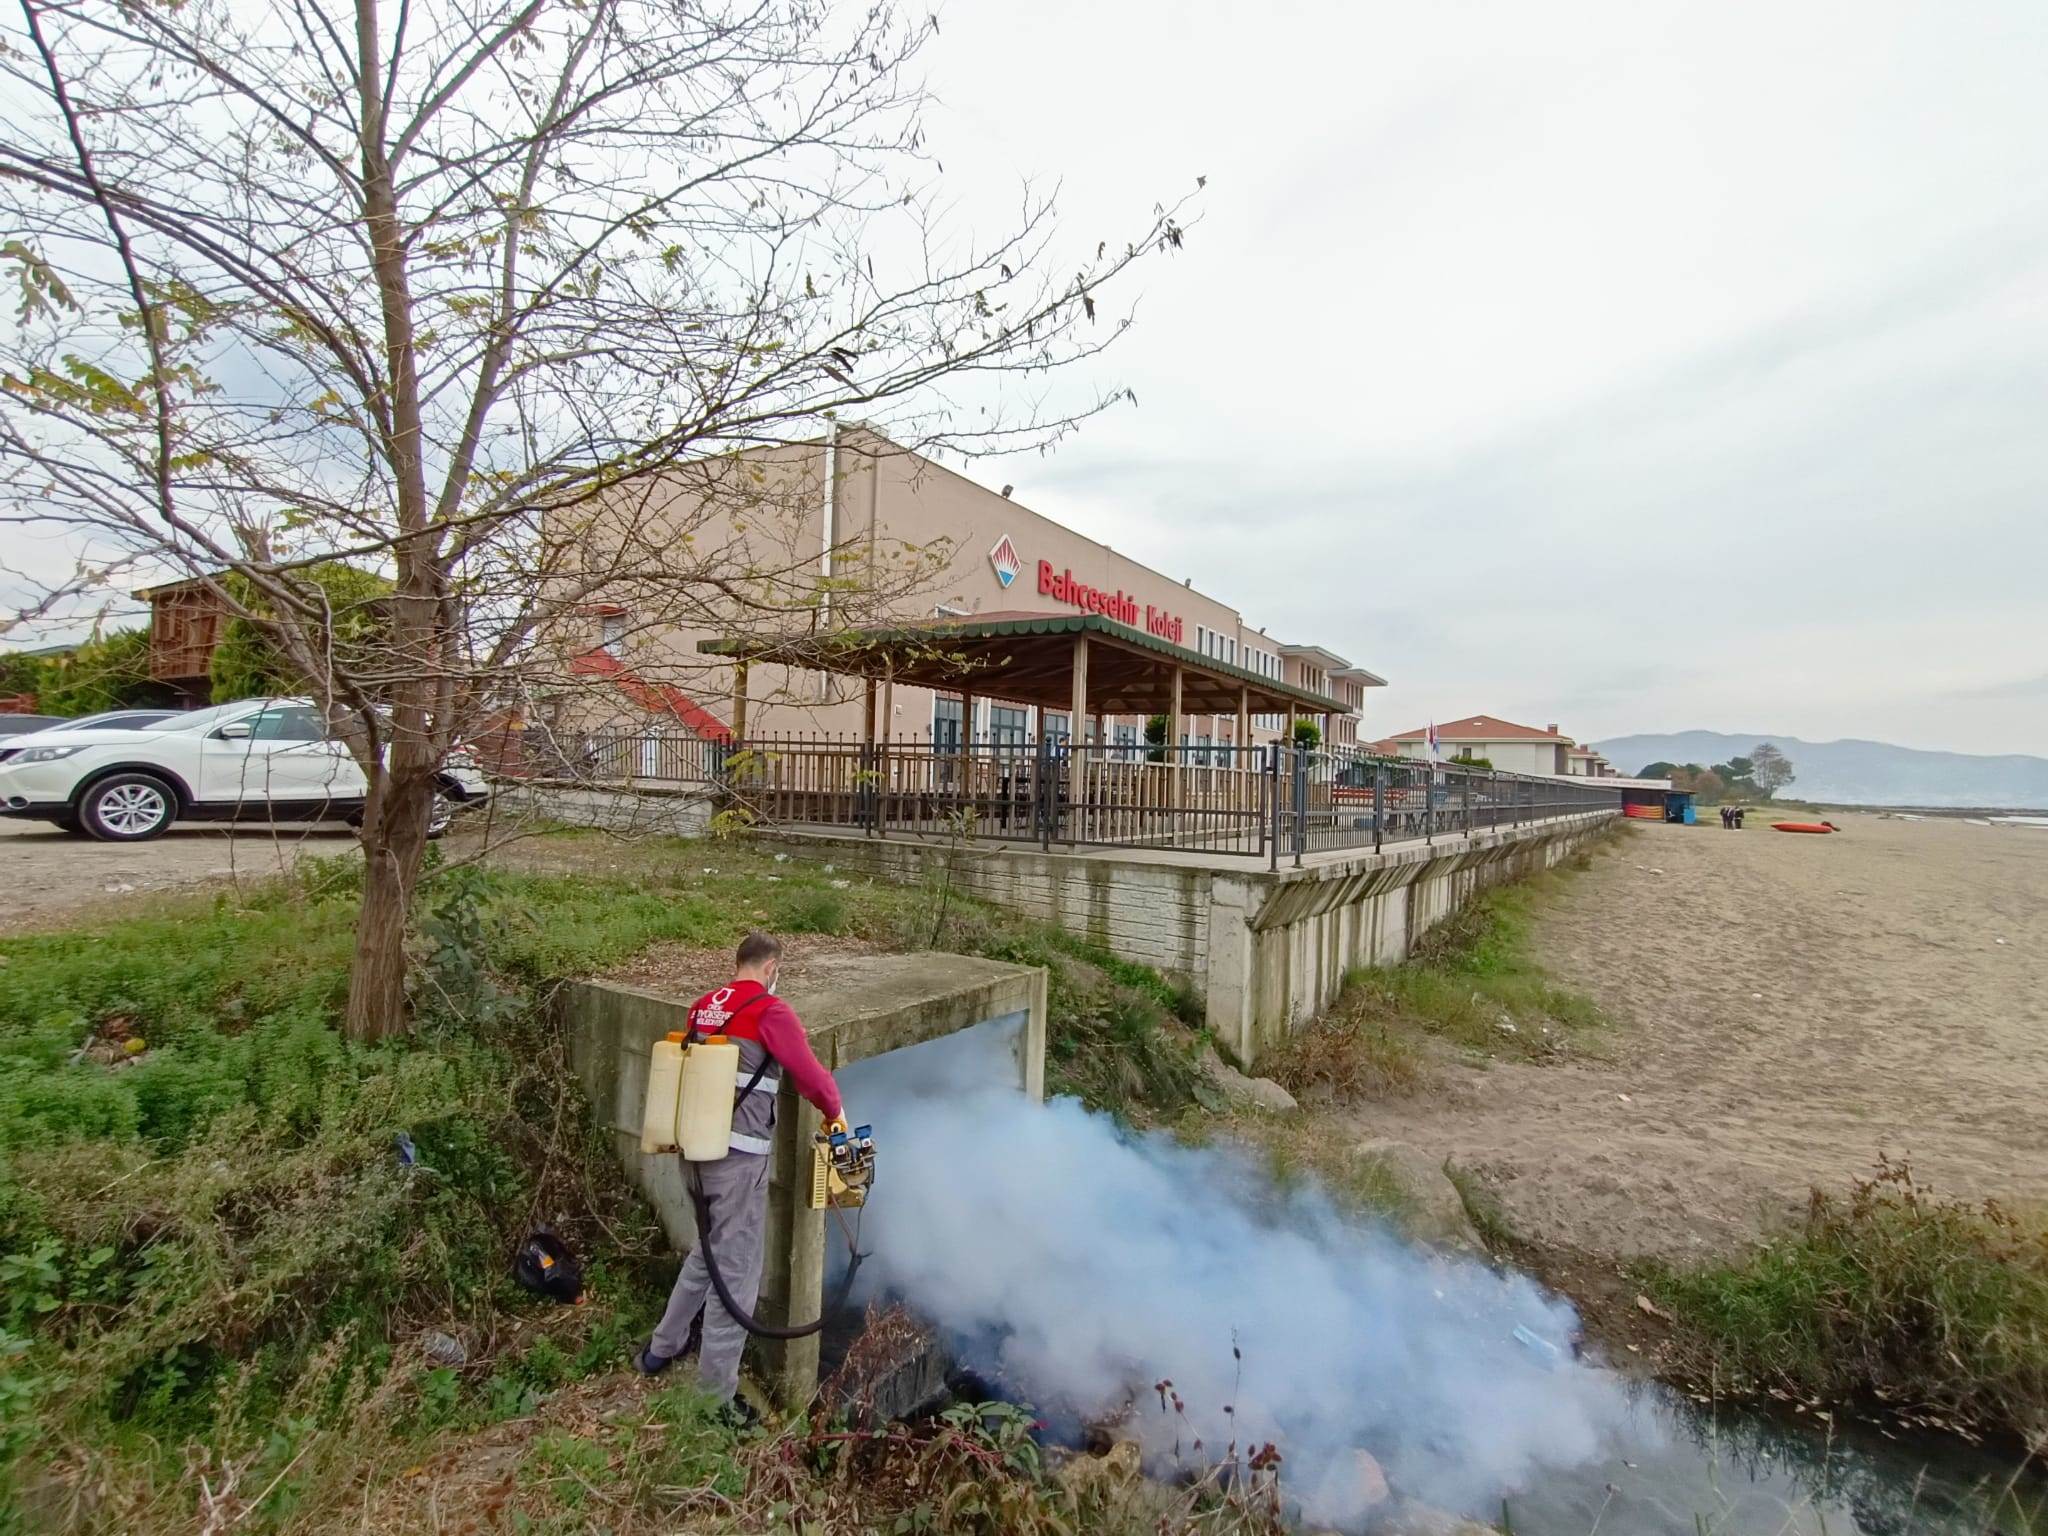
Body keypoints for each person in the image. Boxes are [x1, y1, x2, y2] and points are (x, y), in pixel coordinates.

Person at [639, 931, 846, 1404]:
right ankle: (716, 1397)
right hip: (736, 1160)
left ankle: (661, 1348)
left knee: (706, 1254)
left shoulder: (703, 1006)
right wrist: (835, 1111)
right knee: (735, 1275)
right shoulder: (771, 1012)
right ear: (771, 968)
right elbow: (810, 1074)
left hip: (692, 1153)